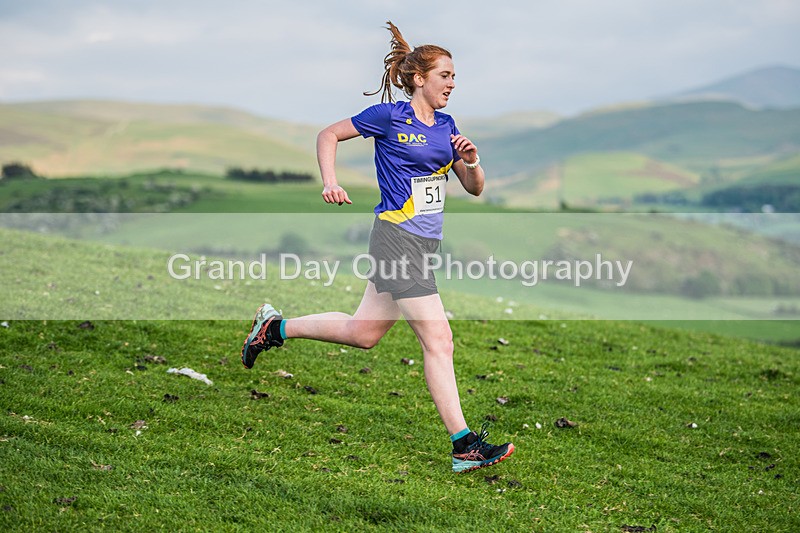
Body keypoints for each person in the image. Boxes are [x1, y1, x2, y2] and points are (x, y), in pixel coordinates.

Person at [241, 21, 514, 473]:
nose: (452, 84)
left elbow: (474, 187)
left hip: (423, 244)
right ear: (420, 78)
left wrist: (472, 161)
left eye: (454, 78)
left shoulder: (447, 126)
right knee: (439, 340)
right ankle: (464, 445)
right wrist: (331, 181)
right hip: (396, 239)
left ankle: (274, 327)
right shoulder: (389, 117)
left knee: (363, 333)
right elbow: (327, 134)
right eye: (445, 75)